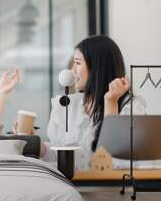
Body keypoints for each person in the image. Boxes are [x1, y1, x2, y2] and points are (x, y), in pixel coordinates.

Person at [39, 36, 145, 170]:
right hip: (70, 186)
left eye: (77, 62)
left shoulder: (131, 107)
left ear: (97, 67)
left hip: (109, 189)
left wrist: (110, 102)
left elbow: (111, 161)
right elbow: (59, 156)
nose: (72, 71)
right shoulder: (69, 106)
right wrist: (39, 147)